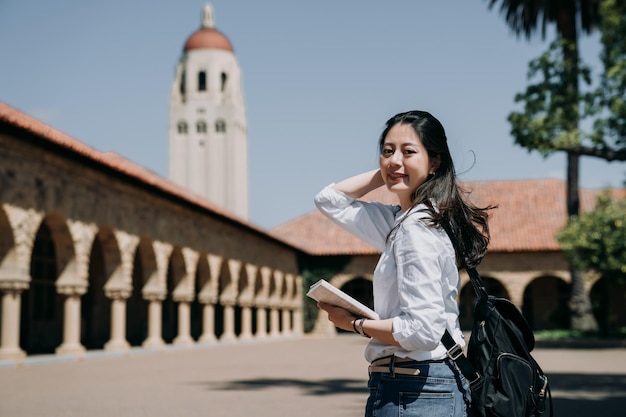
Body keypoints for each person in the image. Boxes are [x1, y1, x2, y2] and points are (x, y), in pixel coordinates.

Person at [314, 110, 492, 417]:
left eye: (409, 151)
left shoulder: (415, 228)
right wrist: (393, 170)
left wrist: (354, 324)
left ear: (434, 162)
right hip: (419, 386)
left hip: (412, 390)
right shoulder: (406, 220)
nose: (395, 159)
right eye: (387, 151)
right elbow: (330, 199)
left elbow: (422, 331)